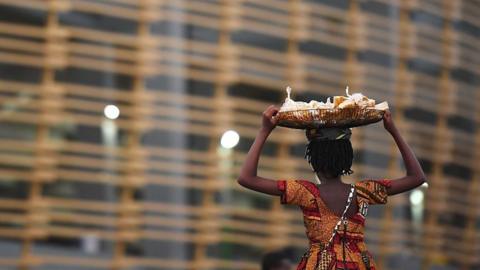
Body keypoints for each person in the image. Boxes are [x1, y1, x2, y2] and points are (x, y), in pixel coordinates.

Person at [237, 105, 426, 270]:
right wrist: (393, 130)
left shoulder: (305, 192)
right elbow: (416, 177)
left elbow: (246, 178)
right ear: (347, 158)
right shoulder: (363, 192)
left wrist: (264, 130)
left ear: (314, 161)